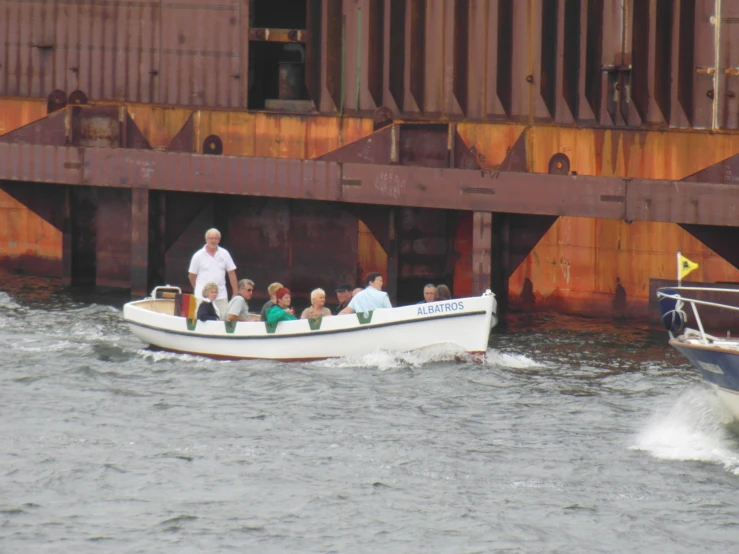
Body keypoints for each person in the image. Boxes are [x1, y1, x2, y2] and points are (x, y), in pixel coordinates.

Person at [188, 228, 238, 316]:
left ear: (219, 240)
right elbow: (192, 275)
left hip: (221, 295)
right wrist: (198, 288)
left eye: (216, 238)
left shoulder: (225, 254)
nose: (213, 241)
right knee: (202, 319)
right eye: (211, 238)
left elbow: (231, 273)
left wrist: (235, 293)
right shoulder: (198, 255)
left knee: (223, 320)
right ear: (206, 239)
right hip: (202, 296)